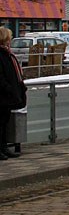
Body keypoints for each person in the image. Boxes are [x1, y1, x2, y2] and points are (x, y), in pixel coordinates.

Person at [0, 27, 25, 159]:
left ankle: (4, 147)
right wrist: (9, 88)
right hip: (3, 95)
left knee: (4, 122)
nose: (10, 41)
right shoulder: (3, 55)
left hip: (7, 96)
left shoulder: (7, 54)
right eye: (9, 38)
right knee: (1, 122)